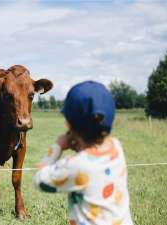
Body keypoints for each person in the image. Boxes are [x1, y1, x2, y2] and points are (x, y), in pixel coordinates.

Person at [33, 81, 133, 225]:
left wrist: (58, 146)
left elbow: (40, 180)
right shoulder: (117, 148)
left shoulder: (76, 165)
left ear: (69, 124)